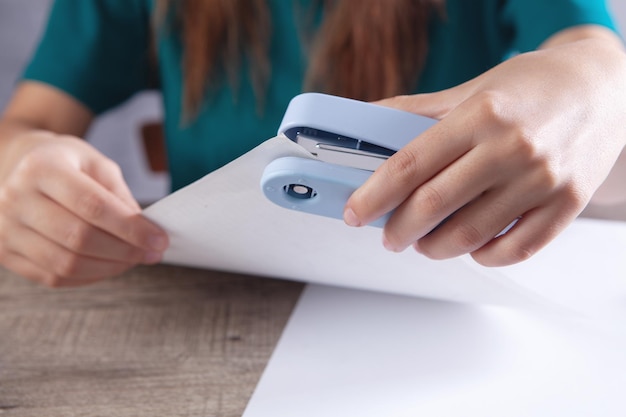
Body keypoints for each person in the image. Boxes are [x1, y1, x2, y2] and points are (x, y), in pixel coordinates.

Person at [0, 0, 624, 287]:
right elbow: (25, 124)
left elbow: (592, 54)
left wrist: (601, 86)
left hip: (433, 294)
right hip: (211, 293)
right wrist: (20, 165)